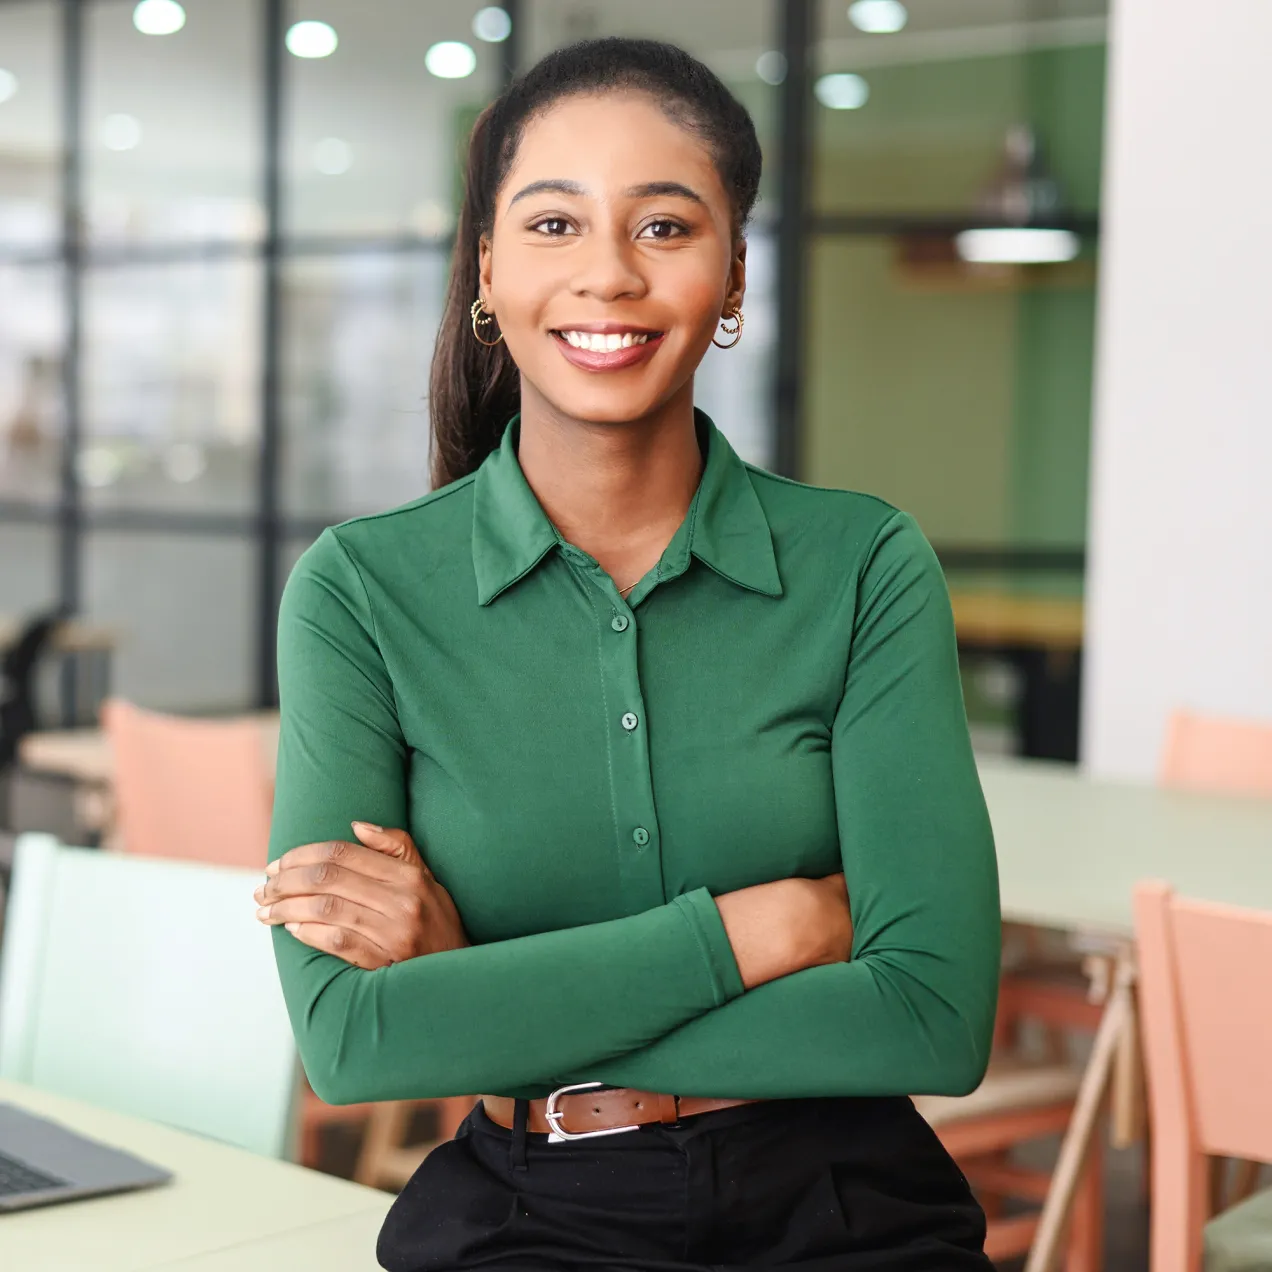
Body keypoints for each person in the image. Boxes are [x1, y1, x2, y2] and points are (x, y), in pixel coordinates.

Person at [256, 37, 1000, 1271]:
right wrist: (755, 935)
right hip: (528, 1214)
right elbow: (355, 1043)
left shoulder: (864, 564)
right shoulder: (362, 592)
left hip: (850, 1207)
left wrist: (478, 995)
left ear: (734, 274)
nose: (607, 276)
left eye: (664, 227)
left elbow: (931, 1017)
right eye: (553, 226)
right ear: (488, 269)